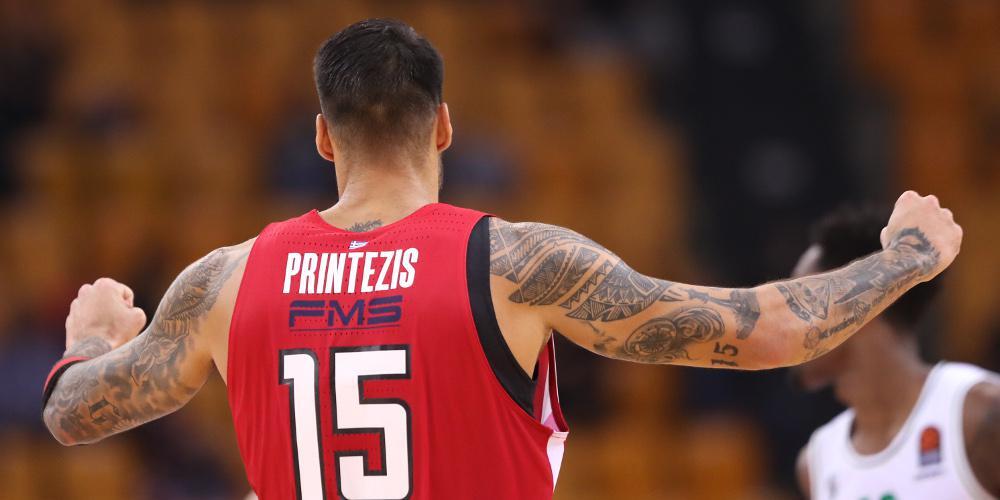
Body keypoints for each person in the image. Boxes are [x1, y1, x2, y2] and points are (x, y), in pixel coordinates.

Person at [41, 19, 963, 500]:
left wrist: (89, 342)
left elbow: (73, 416)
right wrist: (905, 258)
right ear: (443, 125)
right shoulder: (513, 264)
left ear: (323, 138)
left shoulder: (227, 278)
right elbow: (767, 331)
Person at [792, 204, 999, 499]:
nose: (786, 322)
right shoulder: (816, 464)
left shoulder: (980, 413)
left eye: (799, 302)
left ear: (856, 305)